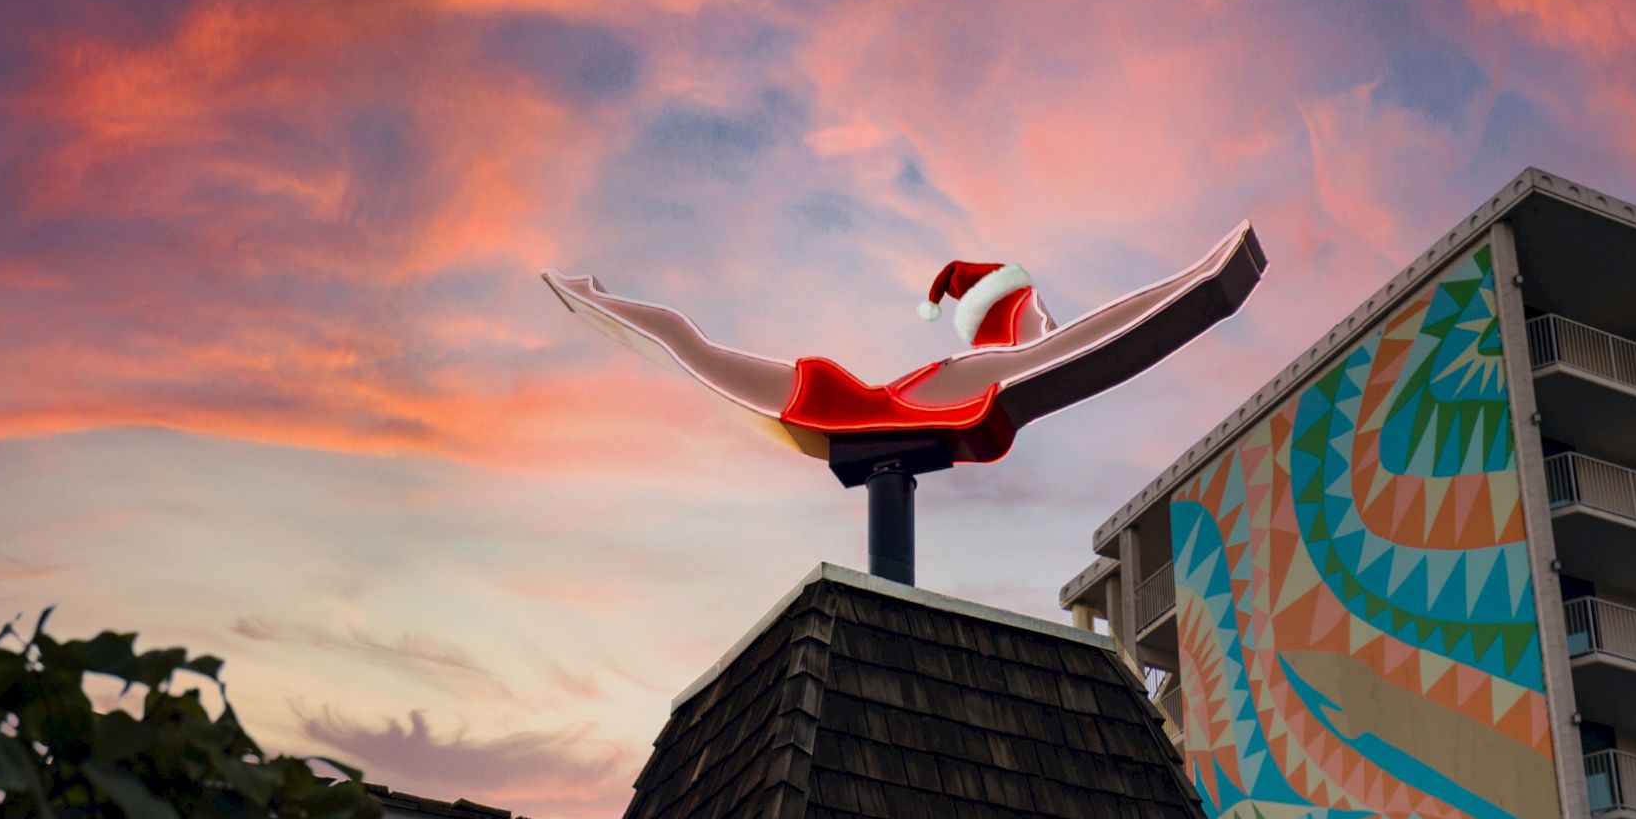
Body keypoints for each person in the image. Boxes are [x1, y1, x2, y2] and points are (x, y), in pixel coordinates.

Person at [542, 221, 1266, 467]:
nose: (1045, 326)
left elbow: (1079, 341)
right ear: (1002, 319)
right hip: (839, 407)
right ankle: (592, 296)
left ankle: (594, 297)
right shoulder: (981, 370)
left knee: (690, 348)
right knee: (690, 348)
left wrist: (1202, 285)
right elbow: (1090, 340)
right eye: (1033, 316)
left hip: (836, 402)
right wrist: (1201, 285)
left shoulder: (969, 372)